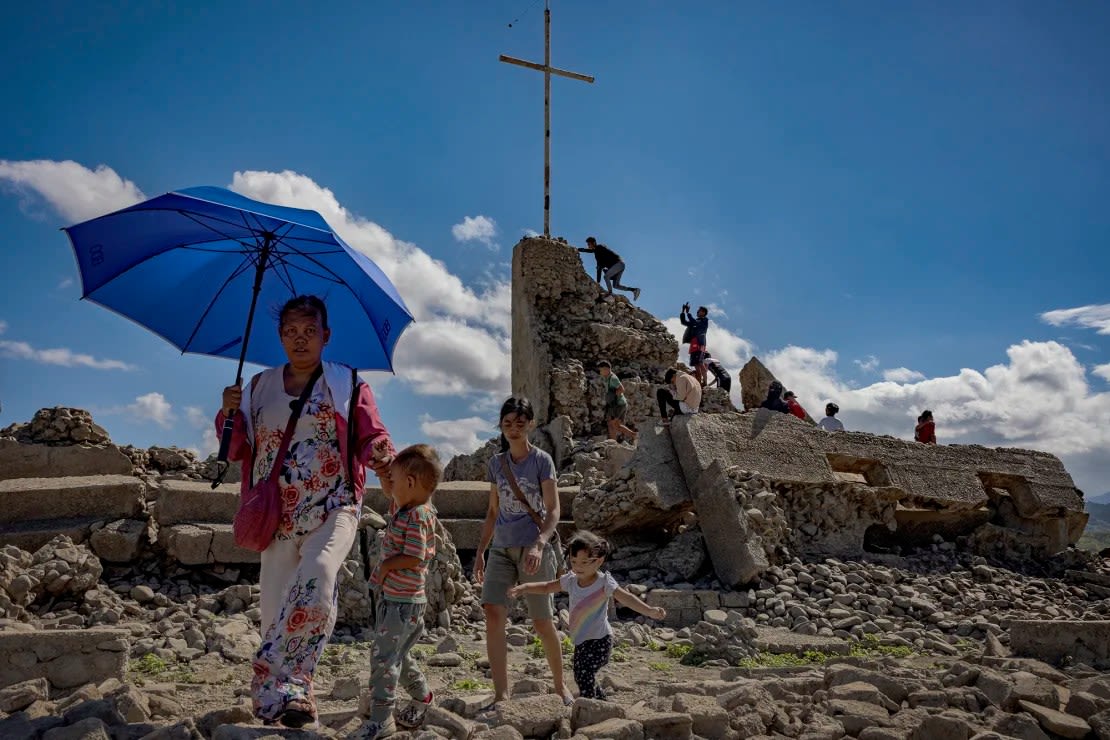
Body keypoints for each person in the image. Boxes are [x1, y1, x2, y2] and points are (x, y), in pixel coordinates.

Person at [216, 294, 395, 728]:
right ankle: (287, 702)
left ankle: (289, 680)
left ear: (326, 336)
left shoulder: (347, 384)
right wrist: (228, 411)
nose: (300, 340)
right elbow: (234, 449)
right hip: (276, 515)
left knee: (318, 573)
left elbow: (371, 436)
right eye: (291, 332)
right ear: (279, 337)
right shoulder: (257, 387)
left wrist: (391, 463)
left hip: (334, 506)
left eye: (309, 332)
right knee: (276, 609)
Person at [474, 397, 572, 707]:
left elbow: (554, 510)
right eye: (507, 424)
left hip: (534, 548)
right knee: (492, 612)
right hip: (501, 548)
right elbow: (492, 511)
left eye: (520, 423)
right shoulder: (496, 463)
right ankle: (501, 692)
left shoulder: (542, 460)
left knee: (542, 622)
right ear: (500, 426)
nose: (513, 430)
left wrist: (541, 543)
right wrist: (480, 552)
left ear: (530, 424)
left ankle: (560, 686)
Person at [509, 531, 665, 700]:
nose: (578, 567)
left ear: (599, 561)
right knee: (580, 675)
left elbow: (626, 598)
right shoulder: (570, 580)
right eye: (574, 561)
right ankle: (600, 701)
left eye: (584, 562)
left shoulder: (604, 582)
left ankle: (588, 705)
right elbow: (547, 587)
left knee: (585, 673)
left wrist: (649, 611)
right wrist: (525, 587)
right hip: (581, 640)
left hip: (601, 640)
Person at [359, 445, 442, 739]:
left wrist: (384, 568)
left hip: (402, 604)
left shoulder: (418, 515)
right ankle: (422, 696)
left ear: (409, 484)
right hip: (398, 601)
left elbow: (416, 556)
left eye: (393, 480)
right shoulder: (408, 508)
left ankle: (381, 718)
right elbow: (390, 492)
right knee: (398, 655)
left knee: (383, 660)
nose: (388, 486)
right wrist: (385, 469)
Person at [578, 236, 641, 301]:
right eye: (587, 244)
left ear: (593, 243)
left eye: (589, 244)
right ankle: (634, 290)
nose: (588, 246)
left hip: (618, 264)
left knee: (606, 277)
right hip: (620, 265)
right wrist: (579, 249)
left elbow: (599, 268)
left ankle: (610, 293)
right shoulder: (598, 250)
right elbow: (591, 251)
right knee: (616, 285)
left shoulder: (599, 248)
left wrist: (598, 282)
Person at [598, 360, 638, 443]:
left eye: (601, 370)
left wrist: (614, 399)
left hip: (618, 405)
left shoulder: (613, 378)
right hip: (619, 404)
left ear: (606, 369)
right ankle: (633, 435)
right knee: (616, 425)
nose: (600, 372)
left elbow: (622, 389)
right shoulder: (607, 378)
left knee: (612, 424)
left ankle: (613, 443)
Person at [679, 303, 710, 386]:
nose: (697, 312)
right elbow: (683, 322)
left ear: (703, 312)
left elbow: (695, 322)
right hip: (694, 344)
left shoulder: (704, 320)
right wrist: (683, 311)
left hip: (699, 344)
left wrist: (688, 313)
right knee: (697, 364)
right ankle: (701, 383)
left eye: (699, 311)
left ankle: (703, 383)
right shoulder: (695, 321)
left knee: (699, 363)